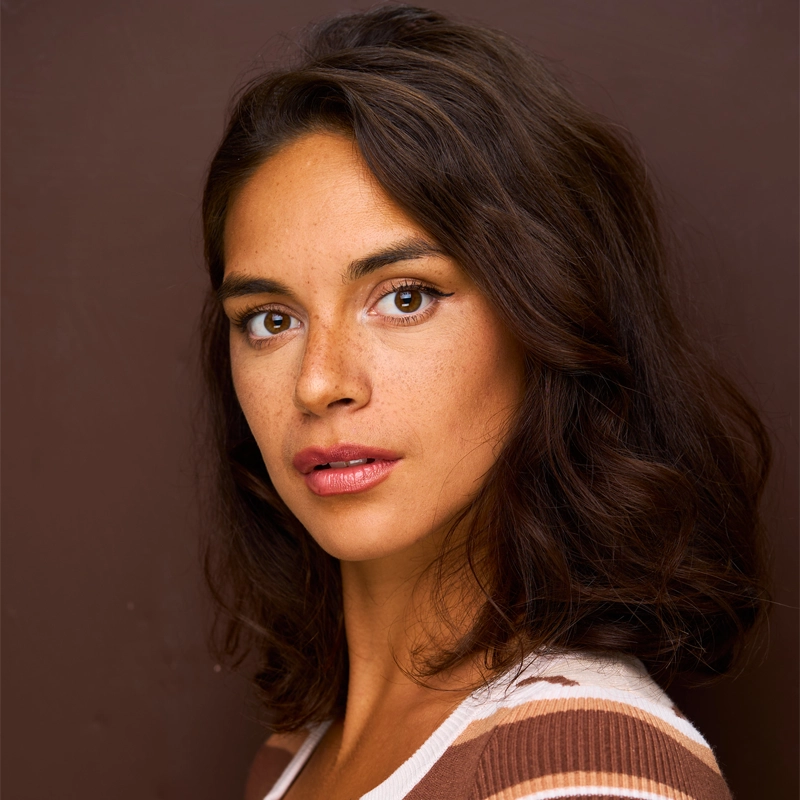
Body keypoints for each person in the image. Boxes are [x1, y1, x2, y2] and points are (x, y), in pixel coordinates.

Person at [200, 6, 771, 799]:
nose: (318, 381)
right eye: (271, 319)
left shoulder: (586, 777)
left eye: (405, 298)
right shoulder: (296, 755)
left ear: (544, 313)